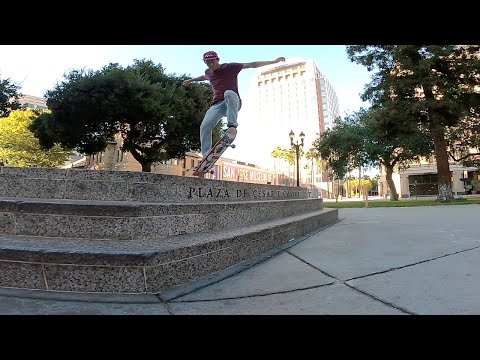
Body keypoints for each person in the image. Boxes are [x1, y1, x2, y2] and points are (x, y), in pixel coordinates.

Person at [182, 50, 285, 159]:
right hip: (217, 105)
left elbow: (252, 65)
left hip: (233, 102)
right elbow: (204, 77)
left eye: (212, 62)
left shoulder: (230, 67)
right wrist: (190, 80)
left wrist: (274, 61)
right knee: (205, 126)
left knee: (228, 93)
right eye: (208, 63)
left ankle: (232, 126)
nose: (211, 65)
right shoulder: (208, 72)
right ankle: (206, 155)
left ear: (217, 60)